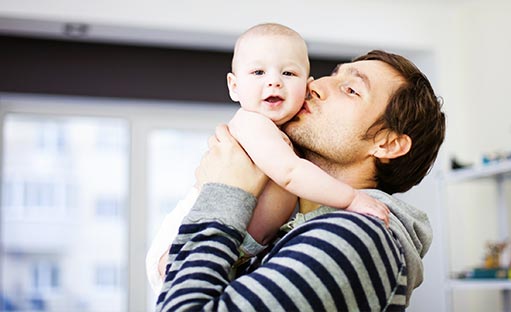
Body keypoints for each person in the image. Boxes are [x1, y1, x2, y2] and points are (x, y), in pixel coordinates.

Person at [155, 49, 446, 311]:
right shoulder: (286, 227)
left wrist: (225, 191)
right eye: (331, 74)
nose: (314, 85)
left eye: (350, 89)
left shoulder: (356, 237)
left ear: (387, 143)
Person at [146, 23, 390, 294]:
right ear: (234, 86)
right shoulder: (252, 124)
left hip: (237, 250)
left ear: (307, 87)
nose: (273, 81)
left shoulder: (293, 138)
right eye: (258, 72)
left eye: (288, 72)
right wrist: (352, 198)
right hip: (182, 240)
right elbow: (290, 172)